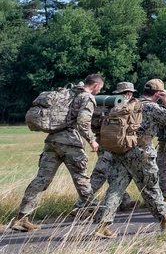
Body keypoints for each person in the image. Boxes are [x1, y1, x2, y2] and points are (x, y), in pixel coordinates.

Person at [10, 75, 104, 232]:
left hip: (52, 141)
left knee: (41, 179)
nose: (100, 91)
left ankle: (21, 218)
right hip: (71, 144)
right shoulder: (86, 98)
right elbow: (83, 122)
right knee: (81, 179)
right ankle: (100, 216)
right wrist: (92, 140)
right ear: (95, 85)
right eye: (100, 88)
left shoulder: (69, 93)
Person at [92, 80, 166, 239]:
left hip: (120, 150)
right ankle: (164, 218)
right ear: (158, 93)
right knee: (151, 185)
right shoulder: (151, 107)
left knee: (116, 187)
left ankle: (103, 225)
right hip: (141, 152)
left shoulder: (127, 104)